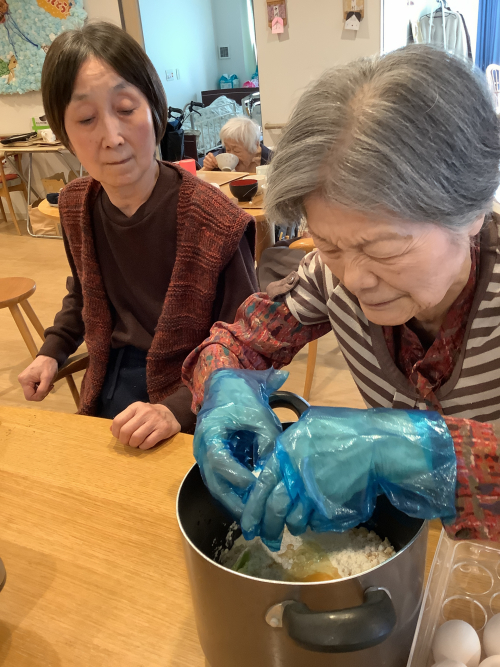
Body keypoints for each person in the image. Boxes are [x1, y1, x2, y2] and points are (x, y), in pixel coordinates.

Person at [182, 45, 500, 542]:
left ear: (473, 210)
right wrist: (225, 388)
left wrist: (421, 453)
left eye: (384, 248)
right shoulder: (327, 279)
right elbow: (238, 342)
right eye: (328, 244)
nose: (354, 279)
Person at [17, 22, 258, 448]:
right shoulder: (76, 206)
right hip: (111, 383)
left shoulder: (215, 220)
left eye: (126, 109)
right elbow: (85, 294)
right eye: (86, 119)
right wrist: (52, 351)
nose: (112, 138)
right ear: (64, 133)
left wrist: (177, 408)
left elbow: (246, 347)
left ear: (155, 110)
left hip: (197, 397)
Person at [201, 116, 271, 173]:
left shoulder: (272, 161)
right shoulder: (224, 157)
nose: (231, 156)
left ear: (255, 146)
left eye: (236, 151)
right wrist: (207, 168)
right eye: (228, 149)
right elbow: (197, 180)